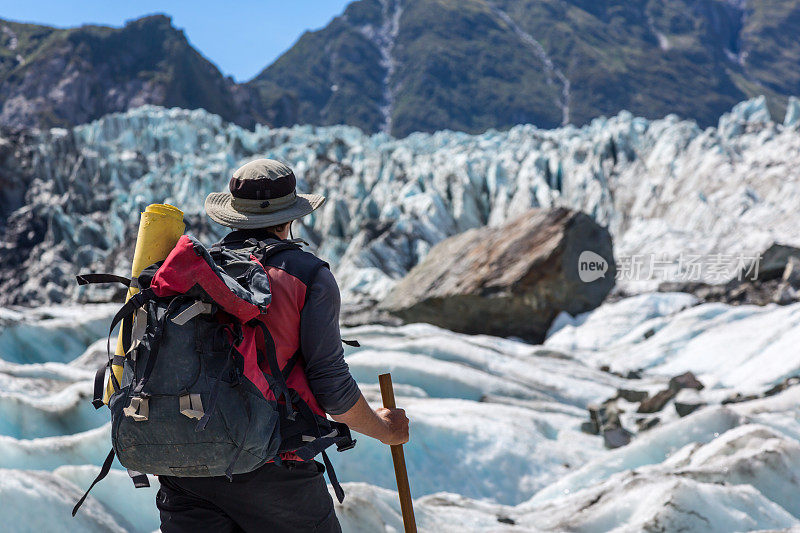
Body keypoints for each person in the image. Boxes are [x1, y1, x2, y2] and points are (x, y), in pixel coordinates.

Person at [156, 159, 410, 533]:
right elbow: (333, 390)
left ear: (232, 216)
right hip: (272, 471)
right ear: (290, 217)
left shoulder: (195, 270)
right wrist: (385, 430)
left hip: (183, 464)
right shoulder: (308, 276)